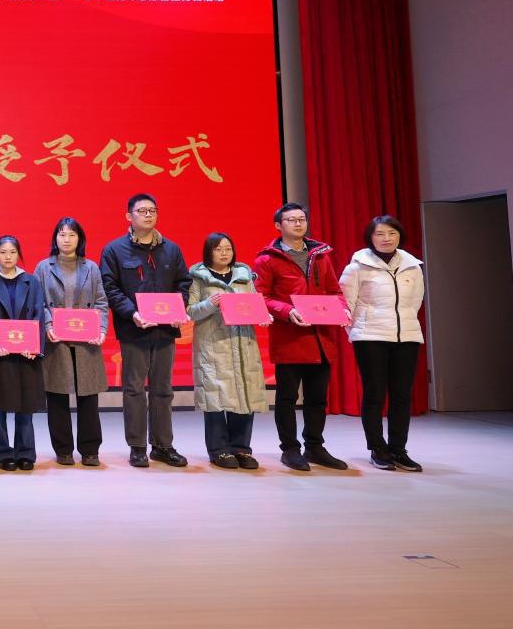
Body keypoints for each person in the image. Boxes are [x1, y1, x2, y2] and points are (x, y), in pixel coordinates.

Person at [252, 202, 349, 472]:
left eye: (302, 219)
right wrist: (287, 311)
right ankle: (290, 449)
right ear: (278, 225)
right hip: (290, 338)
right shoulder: (266, 259)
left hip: (321, 338)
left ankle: (315, 447)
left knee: (318, 399)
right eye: (291, 220)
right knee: (287, 398)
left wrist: (342, 309)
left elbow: (334, 291)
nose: (298, 224)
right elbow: (261, 297)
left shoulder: (321, 256)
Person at [99, 193, 192, 468]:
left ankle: (163, 445)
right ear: (129, 216)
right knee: (134, 389)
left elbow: (183, 283)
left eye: (152, 210)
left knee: (163, 389)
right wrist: (132, 313)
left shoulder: (171, 249)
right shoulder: (114, 250)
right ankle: (137, 446)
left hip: (165, 330)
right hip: (134, 329)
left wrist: (179, 309)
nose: (148, 215)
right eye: (142, 211)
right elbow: (110, 288)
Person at [340, 215, 426, 472]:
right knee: (375, 393)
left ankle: (398, 449)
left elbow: (415, 302)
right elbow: (346, 305)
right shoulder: (357, 266)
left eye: (391, 233)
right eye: (379, 234)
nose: (386, 238)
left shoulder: (413, 266)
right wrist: (356, 332)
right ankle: (378, 449)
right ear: (370, 237)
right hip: (370, 337)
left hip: (407, 336)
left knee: (402, 395)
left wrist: (405, 324)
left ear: (400, 235)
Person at [186, 232, 270, 470]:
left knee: (245, 393)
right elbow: (190, 311)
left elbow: (254, 304)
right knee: (215, 397)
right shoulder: (199, 277)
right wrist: (210, 304)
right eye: (218, 249)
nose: (224, 253)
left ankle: (241, 448)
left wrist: (262, 316)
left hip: (243, 343)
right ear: (209, 252)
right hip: (213, 345)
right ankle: (219, 450)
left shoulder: (244, 276)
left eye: (228, 249)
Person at [34, 217, 108, 467]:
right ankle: (63, 449)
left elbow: (101, 302)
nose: (66, 239)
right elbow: (37, 302)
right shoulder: (43, 267)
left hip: (86, 340)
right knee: (57, 396)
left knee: (89, 397)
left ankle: (90, 450)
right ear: (55, 238)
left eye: (72, 235)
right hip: (57, 339)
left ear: (80, 239)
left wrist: (101, 329)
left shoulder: (92, 267)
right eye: (62, 234)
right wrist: (47, 325)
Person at [0, 236, 47, 471]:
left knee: (25, 405)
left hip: (25, 353)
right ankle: (1, 453)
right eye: (3, 252)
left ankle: (25, 452)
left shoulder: (31, 281)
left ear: (19, 254)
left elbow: (38, 314)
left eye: (13, 252)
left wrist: (35, 346)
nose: (8, 257)